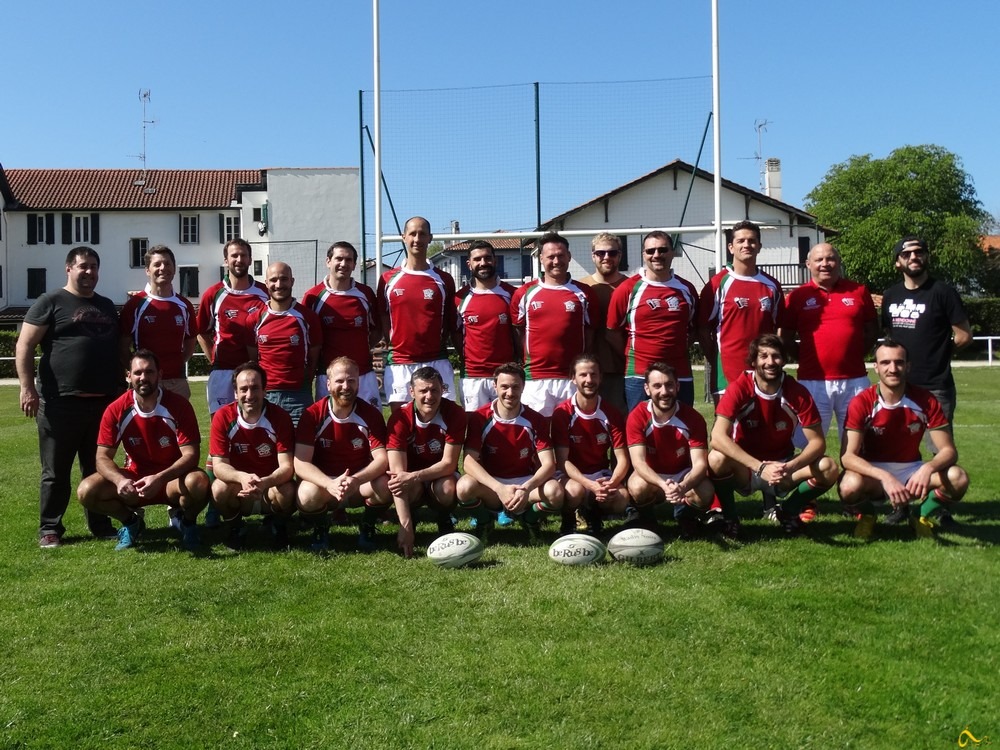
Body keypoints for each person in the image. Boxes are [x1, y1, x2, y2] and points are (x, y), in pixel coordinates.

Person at [16, 246, 122, 547]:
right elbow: (24, 346)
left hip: (102, 404)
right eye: (82, 266)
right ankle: (50, 527)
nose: (89, 272)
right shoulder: (50, 302)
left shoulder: (105, 306)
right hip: (59, 403)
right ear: (68, 269)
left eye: (93, 267)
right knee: (55, 471)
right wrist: (27, 388)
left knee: (99, 468)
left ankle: (99, 523)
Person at [76, 350, 209, 551]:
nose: (143, 377)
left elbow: (191, 455)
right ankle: (131, 522)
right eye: (138, 372)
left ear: (160, 375)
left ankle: (186, 521)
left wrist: (160, 478)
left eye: (149, 372)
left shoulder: (178, 405)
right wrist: (120, 481)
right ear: (128, 376)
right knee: (87, 491)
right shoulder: (116, 409)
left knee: (199, 483)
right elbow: (102, 457)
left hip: (169, 481)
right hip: (135, 481)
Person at [707, 334, 838, 537]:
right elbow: (717, 437)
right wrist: (760, 467)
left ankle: (789, 511)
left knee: (828, 467)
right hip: (747, 469)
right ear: (753, 361)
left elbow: (818, 442)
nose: (770, 362)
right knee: (716, 458)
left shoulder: (797, 392)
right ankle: (731, 518)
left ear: (784, 360)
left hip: (782, 468)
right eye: (764, 356)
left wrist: (790, 466)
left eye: (776, 356)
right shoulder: (740, 388)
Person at [881, 235, 972, 526]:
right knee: (898, 450)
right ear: (898, 262)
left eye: (919, 252)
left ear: (926, 257)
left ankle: (937, 508)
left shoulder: (943, 292)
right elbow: (889, 338)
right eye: (907, 254)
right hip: (898, 388)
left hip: (935, 385)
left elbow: (963, 335)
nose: (914, 257)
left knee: (940, 451)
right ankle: (899, 506)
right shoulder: (891, 295)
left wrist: (938, 353)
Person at [839, 339, 969, 540]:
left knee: (958, 478)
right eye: (885, 363)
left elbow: (948, 451)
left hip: (911, 473)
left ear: (908, 366)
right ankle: (867, 516)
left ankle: (919, 516)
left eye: (899, 362)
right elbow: (847, 457)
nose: (893, 368)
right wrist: (884, 476)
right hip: (873, 475)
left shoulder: (925, 400)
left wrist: (928, 468)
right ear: (876, 367)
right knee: (848, 486)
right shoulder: (862, 402)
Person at [456, 363, 564, 544]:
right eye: (504, 386)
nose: (510, 392)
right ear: (494, 386)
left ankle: (529, 521)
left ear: (523, 386)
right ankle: (485, 522)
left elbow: (549, 464)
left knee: (556, 492)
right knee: (464, 487)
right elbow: (468, 462)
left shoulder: (535, 419)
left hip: (524, 484)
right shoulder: (479, 417)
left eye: (515, 387)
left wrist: (526, 488)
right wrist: (499, 489)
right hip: (492, 486)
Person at [780, 242, 877, 443]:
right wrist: (807, 359)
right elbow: (785, 338)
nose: (825, 264)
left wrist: (854, 354)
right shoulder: (797, 296)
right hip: (812, 381)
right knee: (809, 444)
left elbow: (872, 331)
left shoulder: (858, 291)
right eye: (819, 260)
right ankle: (812, 476)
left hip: (855, 380)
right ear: (808, 264)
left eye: (831, 258)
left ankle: (851, 475)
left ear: (839, 262)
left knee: (859, 444)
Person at [294, 357, 392, 552]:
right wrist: (329, 484)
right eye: (339, 381)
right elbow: (301, 463)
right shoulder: (313, 414)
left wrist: (356, 479)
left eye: (351, 380)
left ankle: (367, 525)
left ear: (358, 382)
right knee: (306, 494)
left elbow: (382, 459)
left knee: (387, 485)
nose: (346, 386)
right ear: (328, 384)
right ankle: (321, 527)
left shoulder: (370, 414)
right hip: (326, 485)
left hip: (358, 485)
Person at [208, 362, 297, 550]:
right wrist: (242, 477)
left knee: (289, 491)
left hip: (269, 489)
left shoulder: (279, 417)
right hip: (240, 491)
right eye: (244, 389)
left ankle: (278, 525)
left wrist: (264, 482)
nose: (249, 395)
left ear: (265, 390)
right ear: (235, 392)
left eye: (255, 388)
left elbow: (287, 467)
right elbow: (219, 465)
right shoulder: (223, 416)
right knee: (218, 489)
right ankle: (236, 527)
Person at [608, 230, 699, 411]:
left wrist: (675, 348)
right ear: (644, 255)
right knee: (640, 430)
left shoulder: (686, 289)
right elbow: (611, 332)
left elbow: (695, 328)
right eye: (650, 251)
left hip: (679, 373)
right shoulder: (627, 289)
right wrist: (635, 352)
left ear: (672, 252)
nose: (656, 255)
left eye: (662, 250)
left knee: (681, 429)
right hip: (639, 374)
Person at [510, 232, 598, 416]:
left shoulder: (584, 293)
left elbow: (590, 335)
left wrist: (581, 365)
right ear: (541, 258)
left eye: (560, 255)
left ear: (569, 257)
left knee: (572, 434)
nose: (556, 261)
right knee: (539, 435)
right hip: (536, 378)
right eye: (550, 256)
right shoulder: (525, 293)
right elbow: (518, 332)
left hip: (572, 378)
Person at [625, 362, 716, 539]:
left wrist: (683, 486)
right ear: (647, 389)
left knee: (706, 491)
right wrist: (662, 485)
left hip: (682, 475)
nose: (664, 392)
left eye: (669, 385)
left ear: (677, 386)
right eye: (657, 386)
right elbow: (639, 463)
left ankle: (686, 518)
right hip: (653, 477)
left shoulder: (692, 418)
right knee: (636, 486)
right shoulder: (638, 415)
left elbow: (699, 463)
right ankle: (649, 521)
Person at [377, 216, 458, 412]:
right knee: (401, 424)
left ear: (430, 238)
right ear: (404, 237)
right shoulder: (388, 279)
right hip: (400, 362)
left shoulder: (444, 279)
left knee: (440, 422)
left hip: (436, 359)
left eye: (422, 234)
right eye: (412, 234)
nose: (417, 239)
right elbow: (383, 317)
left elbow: (449, 319)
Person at [385, 367, 467, 558]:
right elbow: (397, 475)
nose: (429, 396)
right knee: (405, 484)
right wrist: (404, 526)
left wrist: (414, 476)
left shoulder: (454, 413)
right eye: (423, 391)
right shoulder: (399, 418)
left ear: (443, 390)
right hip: (409, 479)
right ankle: (409, 519)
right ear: (412, 392)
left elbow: (449, 463)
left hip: (439, 476)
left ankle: (443, 515)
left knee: (447, 488)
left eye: (434, 390)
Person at [698, 220, 784, 401]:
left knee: (765, 427)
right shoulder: (717, 284)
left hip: (764, 373)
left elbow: (780, 326)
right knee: (726, 429)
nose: (747, 245)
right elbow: (703, 328)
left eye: (752, 241)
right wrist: (715, 358)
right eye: (741, 241)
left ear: (759, 246)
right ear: (731, 247)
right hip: (727, 375)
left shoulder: (772, 286)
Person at [552, 354, 630, 536]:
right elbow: (562, 461)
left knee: (622, 498)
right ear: (573, 378)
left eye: (594, 375)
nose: (589, 380)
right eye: (583, 375)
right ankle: (569, 517)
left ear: (601, 377)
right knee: (575, 490)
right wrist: (589, 485)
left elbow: (622, 459)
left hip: (600, 475)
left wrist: (611, 483)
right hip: (571, 476)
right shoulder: (562, 413)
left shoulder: (611, 413)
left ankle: (595, 514)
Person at [301, 241, 381, 407]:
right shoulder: (313, 297)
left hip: (363, 374)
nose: (343, 264)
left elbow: (377, 330)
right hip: (328, 376)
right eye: (339, 259)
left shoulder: (365, 294)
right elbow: (306, 337)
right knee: (331, 428)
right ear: (328, 261)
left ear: (354, 265)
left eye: (348, 260)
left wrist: (361, 348)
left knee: (372, 424)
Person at [196, 238, 269, 415]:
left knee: (254, 427)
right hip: (223, 372)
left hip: (255, 373)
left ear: (250, 260)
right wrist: (214, 358)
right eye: (234, 255)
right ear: (226, 261)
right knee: (222, 425)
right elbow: (201, 332)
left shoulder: (264, 293)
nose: (239, 259)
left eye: (243, 255)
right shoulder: (213, 294)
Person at [246, 261, 322, 425]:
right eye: (273, 280)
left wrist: (304, 380)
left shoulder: (307, 317)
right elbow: (253, 359)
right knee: (267, 448)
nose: (279, 285)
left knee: (300, 447)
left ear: (292, 281)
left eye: (284, 279)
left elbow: (314, 354)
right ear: (266, 283)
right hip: (266, 394)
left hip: (299, 395)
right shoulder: (255, 319)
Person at [119, 245, 197, 399]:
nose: (163, 268)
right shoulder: (135, 305)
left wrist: (174, 365)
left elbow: (190, 343)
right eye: (157, 264)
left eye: (168, 264)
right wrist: (140, 371)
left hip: (176, 382)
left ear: (174, 269)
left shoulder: (184, 305)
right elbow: (122, 347)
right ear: (147, 270)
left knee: (179, 423)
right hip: (145, 383)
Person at [454, 240, 518, 412]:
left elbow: (518, 334)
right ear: (469, 264)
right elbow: (457, 336)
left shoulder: (512, 295)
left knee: (507, 426)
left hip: (505, 375)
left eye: (487, 258)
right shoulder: (460, 299)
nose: (483, 263)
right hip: (473, 377)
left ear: (495, 261)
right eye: (477, 259)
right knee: (475, 429)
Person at [578, 232, 628, 414]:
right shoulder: (581, 289)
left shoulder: (630, 287)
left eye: (612, 253)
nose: (606, 257)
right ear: (593, 256)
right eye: (601, 253)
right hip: (586, 372)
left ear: (620, 255)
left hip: (621, 371)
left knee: (621, 424)